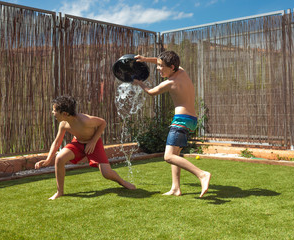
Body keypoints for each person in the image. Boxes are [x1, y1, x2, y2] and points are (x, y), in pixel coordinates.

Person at [133, 51, 211, 198]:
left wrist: (139, 83)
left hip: (181, 120)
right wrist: (145, 59)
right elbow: (159, 59)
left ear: (172, 67)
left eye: (161, 66)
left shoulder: (170, 83)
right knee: (175, 154)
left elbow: (151, 92)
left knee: (168, 156)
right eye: (158, 65)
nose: (158, 68)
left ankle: (202, 175)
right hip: (191, 120)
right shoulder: (181, 72)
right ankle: (176, 188)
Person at [35, 95, 136, 200]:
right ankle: (60, 191)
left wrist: (93, 141)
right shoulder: (63, 124)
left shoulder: (85, 120)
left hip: (94, 143)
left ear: (64, 113)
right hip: (78, 143)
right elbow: (56, 142)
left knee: (106, 173)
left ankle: (122, 182)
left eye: (54, 110)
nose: (53, 113)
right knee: (59, 158)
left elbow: (102, 122)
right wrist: (48, 160)